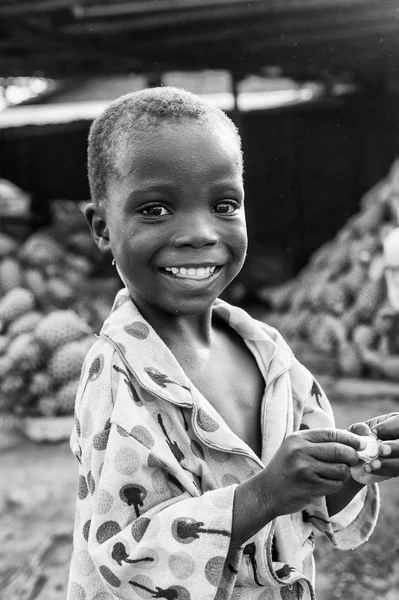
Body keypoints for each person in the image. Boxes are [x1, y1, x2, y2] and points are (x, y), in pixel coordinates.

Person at [67, 87, 399, 600]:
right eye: (155, 210)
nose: (199, 232)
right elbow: (127, 561)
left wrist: (354, 462)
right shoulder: (117, 379)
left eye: (224, 205)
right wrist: (261, 495)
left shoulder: (270, 354)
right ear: (101, 229)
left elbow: (308, 512)